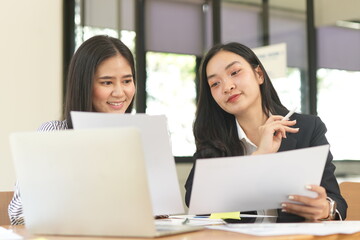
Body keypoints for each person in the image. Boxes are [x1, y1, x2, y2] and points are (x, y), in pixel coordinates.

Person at [184, 42, 347, 221]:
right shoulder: (213, 138)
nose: (227, 87)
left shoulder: (307, 128)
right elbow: (196, 201)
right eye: (215, 83)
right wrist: (259, 156)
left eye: (235, 72)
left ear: (259, 74)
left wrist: (326, 209)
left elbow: (336, 200)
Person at [8, 35, 136, 225]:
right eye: (107, 82)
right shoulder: (54, 134)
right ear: (85, 85)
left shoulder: (138, 136)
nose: (119, 92)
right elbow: (18, 215)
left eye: (126, 81)